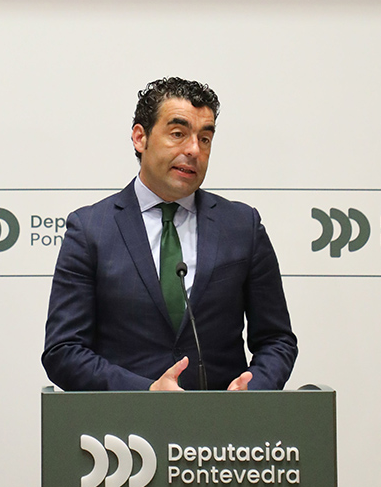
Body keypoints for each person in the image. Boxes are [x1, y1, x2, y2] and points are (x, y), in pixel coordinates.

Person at [42, 77, 297, 392]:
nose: (193, 150)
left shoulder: (242, 226)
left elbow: (276, 340)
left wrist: (253, 390)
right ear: (140, 138)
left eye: (205, 139)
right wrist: (146, 392)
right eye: (178, 134)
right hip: (125, 420)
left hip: (225, 420)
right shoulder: (90, 230)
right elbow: (64, 350)